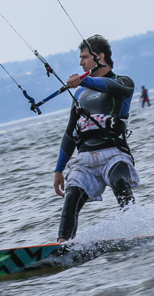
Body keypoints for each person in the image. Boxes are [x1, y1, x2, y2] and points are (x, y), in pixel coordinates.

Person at [53, 35, 139, 243]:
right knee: (72, 195)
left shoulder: (123, 82)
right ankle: (62, 244)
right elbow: (69, 134)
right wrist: (58, 170)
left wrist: (84, 78)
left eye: (84, 58)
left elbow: (110, 86)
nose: (81, 63)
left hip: (114, 155)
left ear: (99, 57)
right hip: (85, 161)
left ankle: (135, 228)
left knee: (119, 182)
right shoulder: (80, 94)